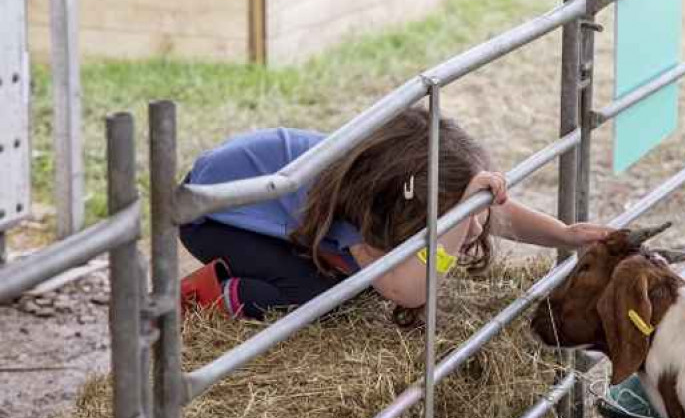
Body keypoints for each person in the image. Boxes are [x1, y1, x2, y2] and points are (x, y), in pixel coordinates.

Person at [179, 107, 612, 321]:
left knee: (355, 284)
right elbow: (408, 292)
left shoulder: (396, 180)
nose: (474, 227)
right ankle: (210, 298)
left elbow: (499, 212)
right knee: (319, 298)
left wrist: (566, 234)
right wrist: (457, 221)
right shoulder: (357, 202)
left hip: (259, 204)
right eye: (447, 212)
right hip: (214, 215)